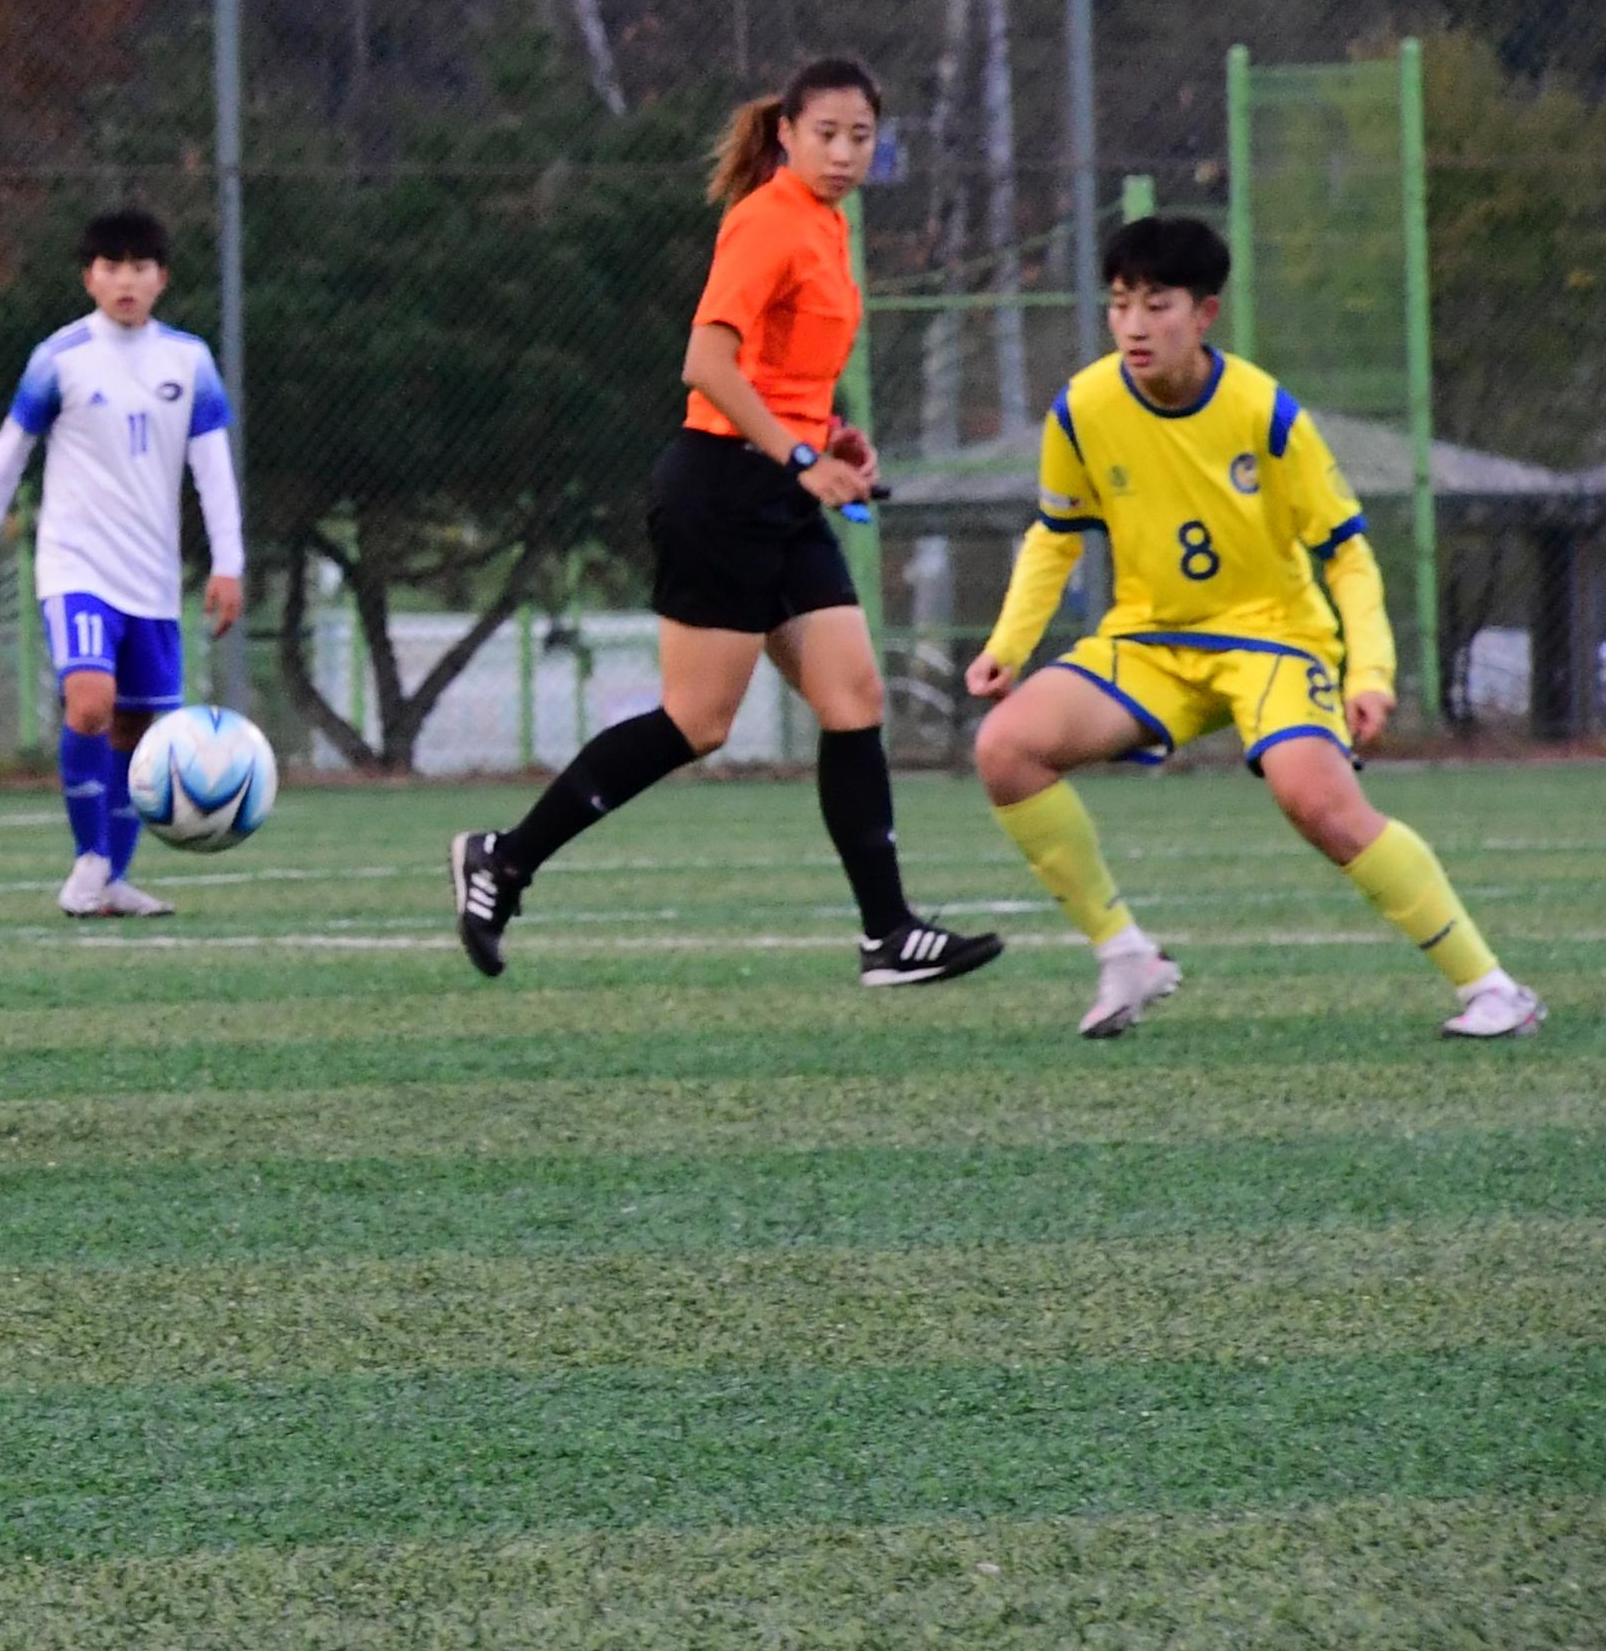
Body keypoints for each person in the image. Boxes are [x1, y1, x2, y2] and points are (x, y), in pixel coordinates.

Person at [451, 57, 1001, 988]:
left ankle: (888, 934)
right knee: (698, 722)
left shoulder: (829, 228)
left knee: (853, 698)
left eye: (860, 136)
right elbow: (707, 364)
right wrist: (797, 457)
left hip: (778, 495)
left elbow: (784, 379)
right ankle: (502, 861)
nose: (841, 151)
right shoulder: (766, 220)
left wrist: (830, 438)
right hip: (720, 490)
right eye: (824, 133)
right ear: (785, 134)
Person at [966, 216, 1541, 1041]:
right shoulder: (1083, 408)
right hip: (1149, 643)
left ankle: (1492, 988)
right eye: (1120, 303)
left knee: (1316, 800)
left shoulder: (1266, 414)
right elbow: (1056, 535)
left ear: (1203, 316)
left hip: (1274, 640)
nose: (1132, 324)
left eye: (1155, 304)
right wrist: (1008, 647)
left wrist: (1369, 674)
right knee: (1006, 747)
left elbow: (1346, 553)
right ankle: (1124, 953)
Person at [0, 207, 243, 919]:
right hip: (75, 565)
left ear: (161, 279)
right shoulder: (60, 357)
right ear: (90, 277)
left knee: (137, 732)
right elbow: (7, 458)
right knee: (90, 703)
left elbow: (213, 471)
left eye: (140, 268)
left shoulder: (190, 360)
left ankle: (113, 878)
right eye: (111, 268)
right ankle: (87, 865)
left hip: (152, 577)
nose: (126, 281)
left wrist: (228, 564)